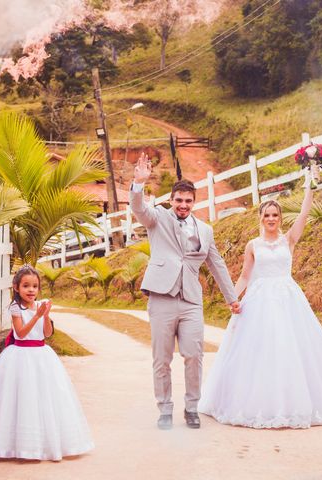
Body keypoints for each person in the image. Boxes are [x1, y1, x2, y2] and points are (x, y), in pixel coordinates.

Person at [198, 177, 322, 428]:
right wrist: (233, 298)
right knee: (259, 351)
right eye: (267, 215)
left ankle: (293, 402)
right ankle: (260, 403)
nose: (271, 219)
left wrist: (310, 188)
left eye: (275, 215)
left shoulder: (289, 239)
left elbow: (304, 213)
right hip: (260, 299)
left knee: (292, 349)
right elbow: (245, 275)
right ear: (261, 218)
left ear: (279, 217)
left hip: (288, 298)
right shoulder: (252, 245)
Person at [129, 153, 241, 430]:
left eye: (188, 201)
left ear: (194, 202)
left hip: (191, 300)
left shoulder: (205, 230)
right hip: (161, 297)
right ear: (171, 200)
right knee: (162, 359)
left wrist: (232, 298)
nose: (183, 205)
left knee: (194, 355)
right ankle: (164, 409)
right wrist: (138, 183)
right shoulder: (158, 219)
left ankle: (192, 407)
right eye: (178, 200)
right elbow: (139, 209)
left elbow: (217, 264)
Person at [0, 265, 94, 460]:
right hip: (20, 354)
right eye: (26, 286)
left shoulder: (41, 305)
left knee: (45, 397)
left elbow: (47, 333)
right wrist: (37, 316)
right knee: (20, 398)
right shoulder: (16, 308)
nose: (31, 290)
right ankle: (16, 445)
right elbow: (20, 333)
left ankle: (46, 442)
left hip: (41, 355)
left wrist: (45, 316)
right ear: (16, 287)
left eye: (35, 286)